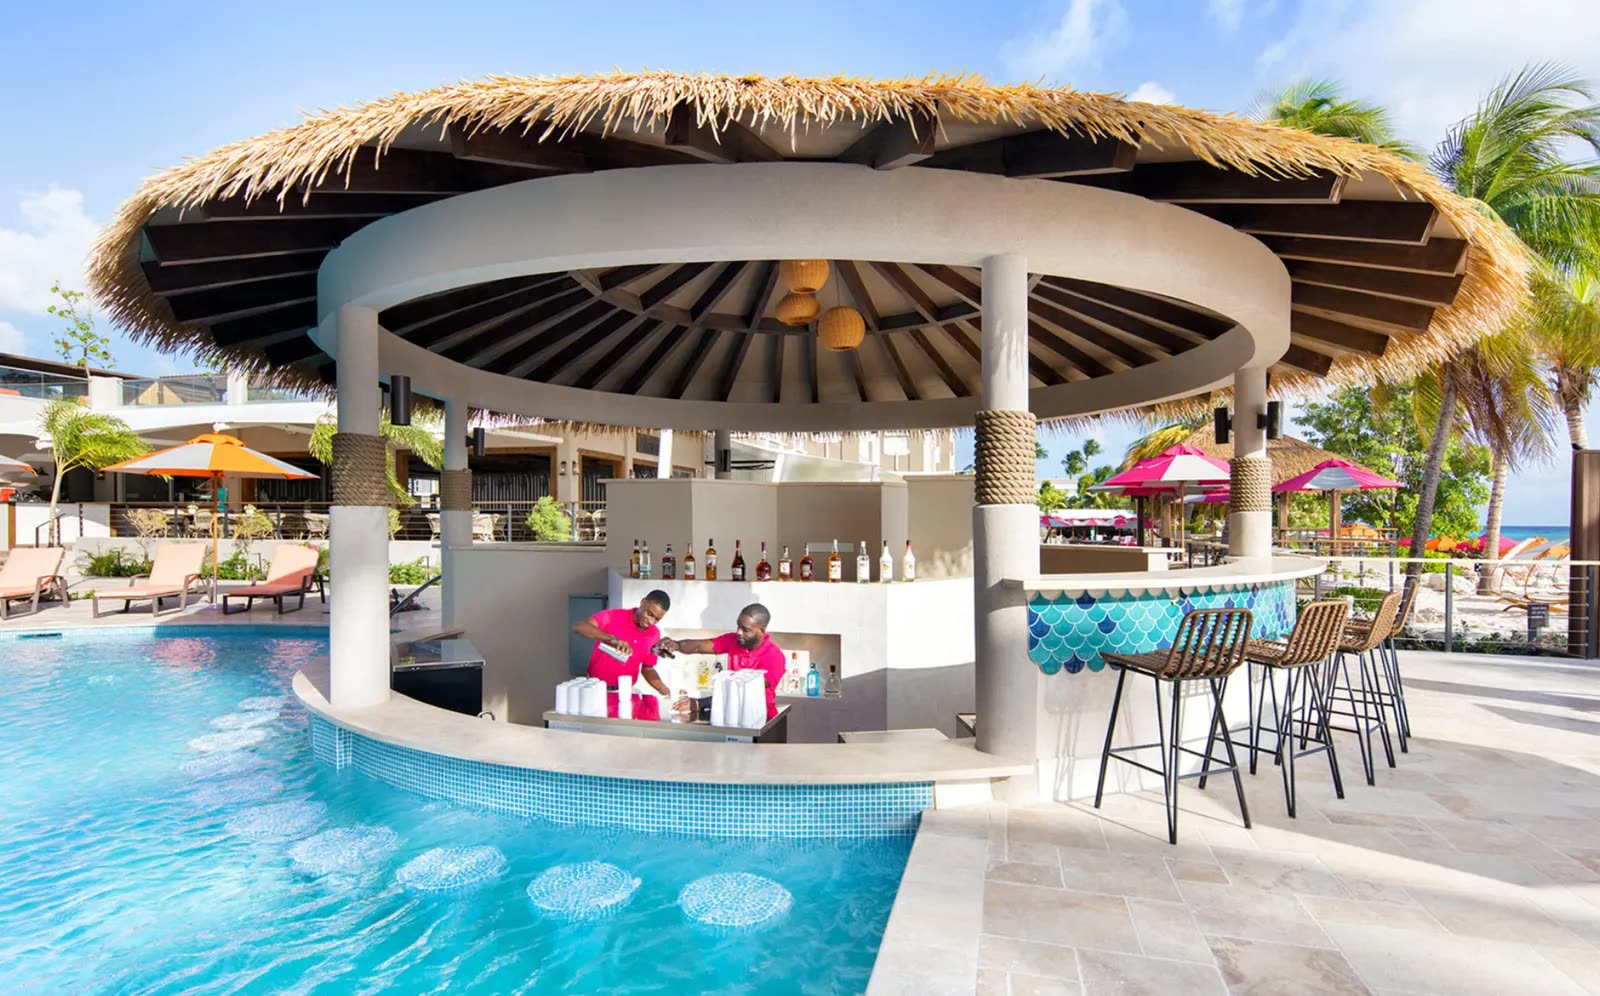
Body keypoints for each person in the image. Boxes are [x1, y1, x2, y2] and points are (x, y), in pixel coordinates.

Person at [658, 603, 785, 722]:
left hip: (761, 719)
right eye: (738, 626)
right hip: (731, 715)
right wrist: (676, 645)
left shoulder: (774, 656)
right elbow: (700, 646)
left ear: (761, 631)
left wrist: (700, 703)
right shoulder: (733, 640)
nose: (738, 632)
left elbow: (744, 691)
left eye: (745, 629)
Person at [572, 590, 673, 720]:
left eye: (657, 619)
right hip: (596, 692)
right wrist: (612, 639)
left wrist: (663, 688)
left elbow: (648, 669)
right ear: (642, 603)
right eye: (649, 614)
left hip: (624, 696)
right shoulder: (613, 616)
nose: (651, 622)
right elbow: (579, 627)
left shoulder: (654, 634)